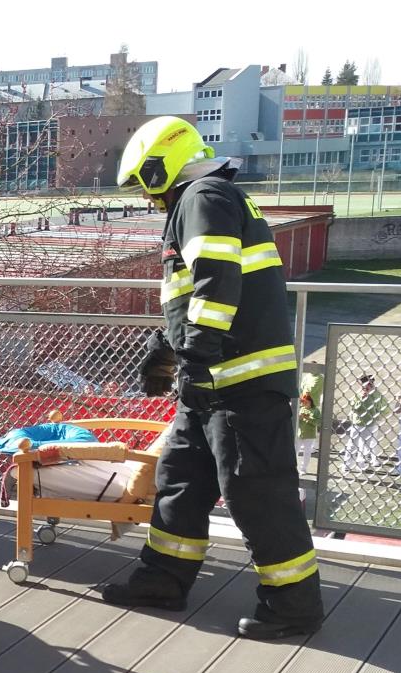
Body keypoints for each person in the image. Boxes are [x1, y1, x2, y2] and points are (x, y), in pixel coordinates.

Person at [103, 116, 323, 640]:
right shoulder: (211, 198)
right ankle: (162, 579)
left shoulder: (202, 196)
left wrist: (195, 359)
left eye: (145, 184)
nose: (146, 197)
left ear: (162, 167)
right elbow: (198, 294)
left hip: (239, 383)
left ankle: (293, 605)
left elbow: (215, 280)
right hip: (211, 383)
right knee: (180, 479)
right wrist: (167, 350)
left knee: (256, 492)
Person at [345, 374, 390, 472]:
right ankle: (347, 464)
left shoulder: (376, 394)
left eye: (368, 385)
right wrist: (362, 398)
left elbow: (385, 407)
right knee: (352, 444)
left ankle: (360, 464)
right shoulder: (359, 394)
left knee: (366, 445)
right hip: (358, 423)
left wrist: (378, 415)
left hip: (370, 423)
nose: (365, 387)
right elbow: (354, 408)